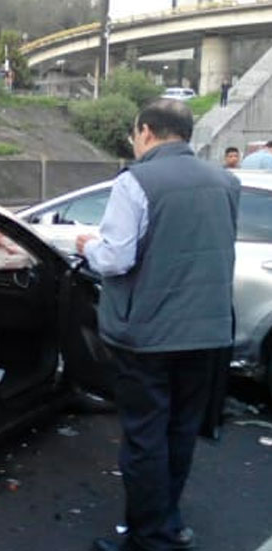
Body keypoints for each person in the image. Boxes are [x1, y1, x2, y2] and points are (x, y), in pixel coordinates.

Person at [76, 99, 240, 551]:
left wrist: (87, 243)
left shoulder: (135, 181)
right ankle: (166, 523)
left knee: (145, 439)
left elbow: (116, 258)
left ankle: (152, 538)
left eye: (135, 133)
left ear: (146, 131)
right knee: (180, 432)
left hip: (147, 336)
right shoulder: (226, 180)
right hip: (207, 334)